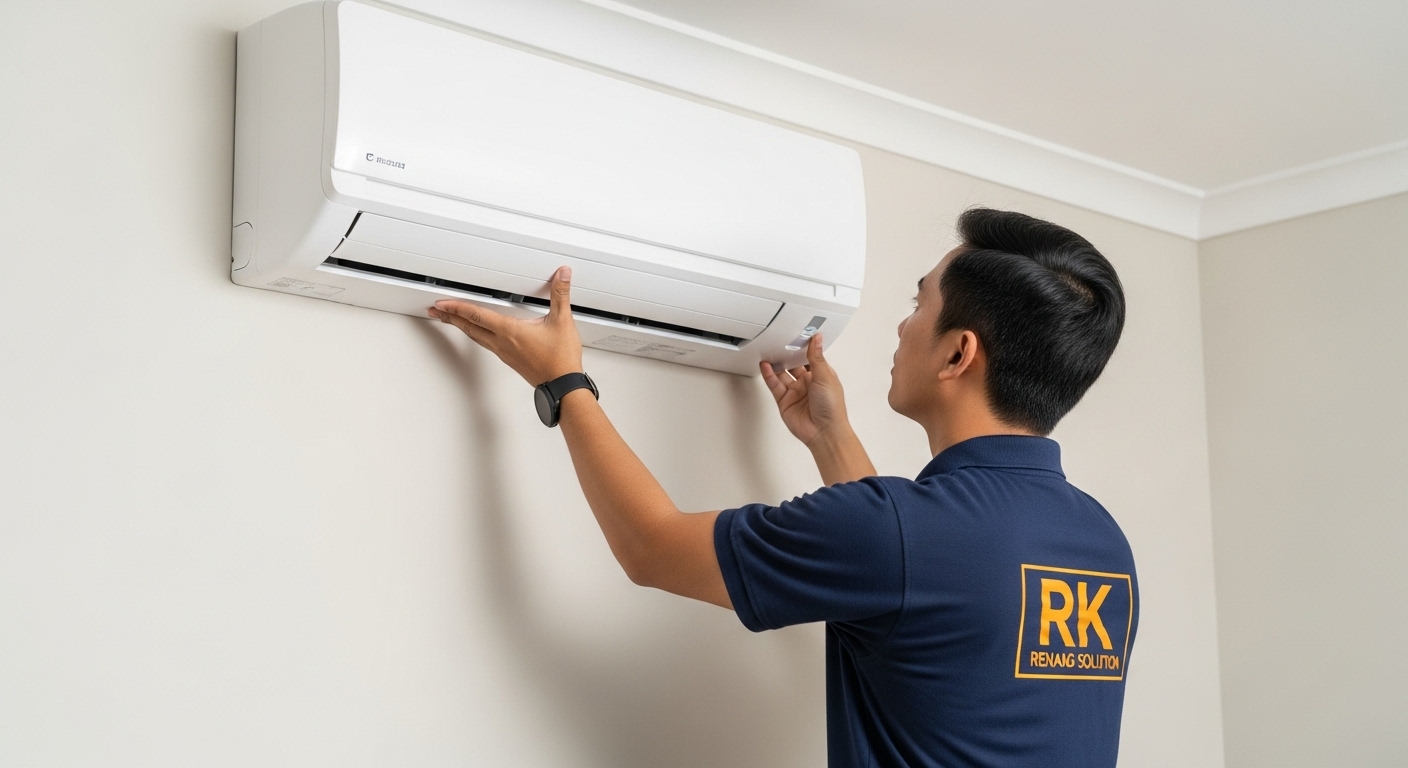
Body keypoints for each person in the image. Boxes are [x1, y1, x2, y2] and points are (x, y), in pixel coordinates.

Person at [428, 207, 1139, 768]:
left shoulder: (901, 532)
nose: (901, 323)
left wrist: (563, 381)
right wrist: (830, 439)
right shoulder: (1103, 542)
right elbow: (912, 594)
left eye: (918, 303)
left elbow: (650, 547)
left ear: (958, 352)